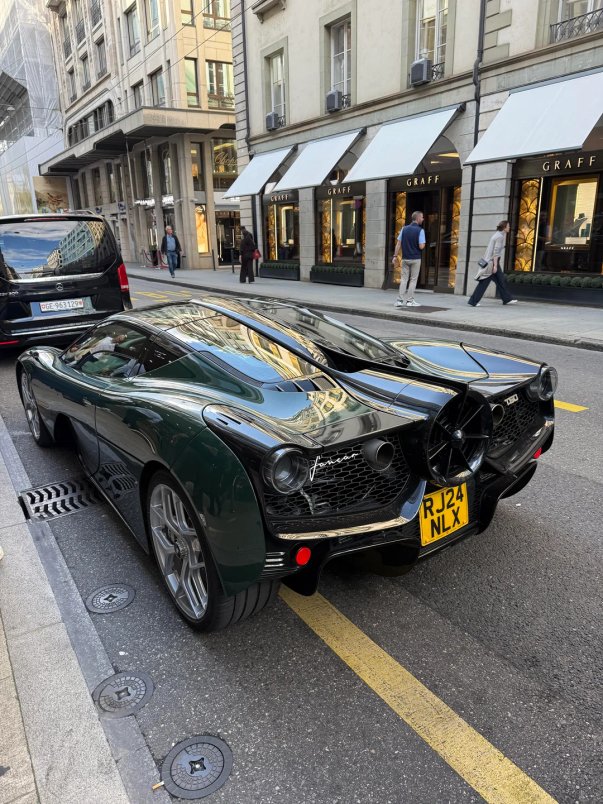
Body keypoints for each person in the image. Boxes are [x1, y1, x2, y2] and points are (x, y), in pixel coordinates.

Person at [468, 220, 517, 307]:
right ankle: (473, 301)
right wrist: (495, 266)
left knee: (500, 280)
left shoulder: (497, 234)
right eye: (508, 226)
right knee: (484, 282)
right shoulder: (499, 237)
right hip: (492, 262)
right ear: (504, 227)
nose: (510, 228)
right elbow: (496, 252)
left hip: (491, 261)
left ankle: (506, 299)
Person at [392, 211, 426, 308]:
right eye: (422, 217)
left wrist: (395, 256)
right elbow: (421, 246)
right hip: (415, 259)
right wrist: (423, 243)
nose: (423, 219)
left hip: (405, 258)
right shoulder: (420, 230)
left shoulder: (404, 229)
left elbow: (398, 244)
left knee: (404, 279)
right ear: (418, 218)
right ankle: (409, 301)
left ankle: (399, 300)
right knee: (413, 280)